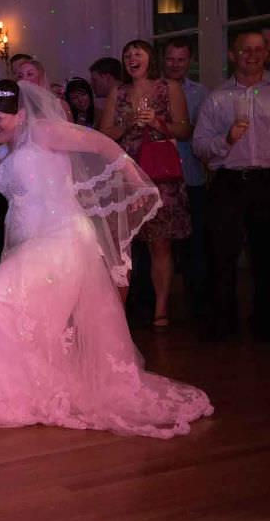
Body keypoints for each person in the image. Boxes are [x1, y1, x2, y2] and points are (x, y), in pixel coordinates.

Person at [0, 79, 212, 437]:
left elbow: (101, 142)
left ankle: (7, 395)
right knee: (39, 322)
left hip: (63, 239)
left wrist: (135, 180)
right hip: (27, 246)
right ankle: (28, 392)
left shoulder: (44, 134)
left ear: (21, 114)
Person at [99, 40, 191, 328]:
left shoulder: (169, 88)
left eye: (137, 54)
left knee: (160, 245)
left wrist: (157, 123)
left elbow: (185, 129)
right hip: (126, 176)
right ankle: (121, 308)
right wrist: (126, 123)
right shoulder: (119, 91)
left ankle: (160, 309)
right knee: (121, 245)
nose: (131, 59)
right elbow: (103, 135)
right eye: (127, 55)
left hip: (159, 176)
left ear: (150, 58)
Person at [193, 30, 270, 340]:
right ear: (232, 55)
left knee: (267, 256)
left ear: (266, 53)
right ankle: (223, 327)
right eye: (244, 50)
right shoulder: (217, 97)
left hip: (267, 180)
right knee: (221, 255)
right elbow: (199, 145)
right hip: (229, 181)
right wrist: (225, 141)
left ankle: (265, 325)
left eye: (257, 49)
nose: (251, 55)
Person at [163, 37, 209, 319]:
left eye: (181, 59)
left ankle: (198, 306)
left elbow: (201, 135)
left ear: (189, 61)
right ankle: (159, 305)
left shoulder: (202, 93)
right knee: (160, 246)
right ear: (162, 59)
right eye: (170, 58)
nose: (176, 64)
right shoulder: (152, 89)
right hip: (158, 179)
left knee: (196, 246)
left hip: (191, 176)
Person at [89, 56, 123, 121]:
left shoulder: (124, 99)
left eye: (94, 80)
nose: (91, 84)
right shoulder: (102, 102)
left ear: (107, 78)